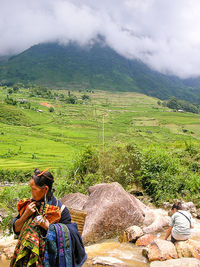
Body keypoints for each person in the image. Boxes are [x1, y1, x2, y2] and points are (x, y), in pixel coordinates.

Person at [10, 168, 87, 267]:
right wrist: (25, 215)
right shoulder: (29, 206)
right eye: (31, 188)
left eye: (34, 189)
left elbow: (73, 236)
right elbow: (16, 229)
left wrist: (49, 227)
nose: (31, 192)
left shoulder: (60, 211)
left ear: (45, 189)